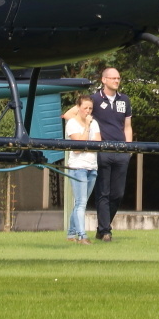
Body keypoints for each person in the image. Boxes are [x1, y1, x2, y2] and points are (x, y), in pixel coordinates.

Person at [90, 66, 133, 242]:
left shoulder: (125, 100)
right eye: (113, 78)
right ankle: (105, 230)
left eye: (118, 78)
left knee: (118, 194)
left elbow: (128, 126)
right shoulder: (94, 99)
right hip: (103, 152)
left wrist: (129, 149)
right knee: (103, 192)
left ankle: (103, 227)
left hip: (121, 152)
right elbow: (77, 114)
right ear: (104, 80)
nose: (116, 81)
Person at [63, 93, 100, 244]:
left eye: (90, 108)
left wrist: (86, 144)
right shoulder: (72, 123)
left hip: (92, 167)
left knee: (80, 203)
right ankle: (82, 236)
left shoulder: (95, 123)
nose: (88, 111)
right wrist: (86, 127)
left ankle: (71, 234)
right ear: (78, 108)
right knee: (81, 203)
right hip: (78, 168)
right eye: (85, 108)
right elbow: (78, 148)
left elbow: (97, 144)